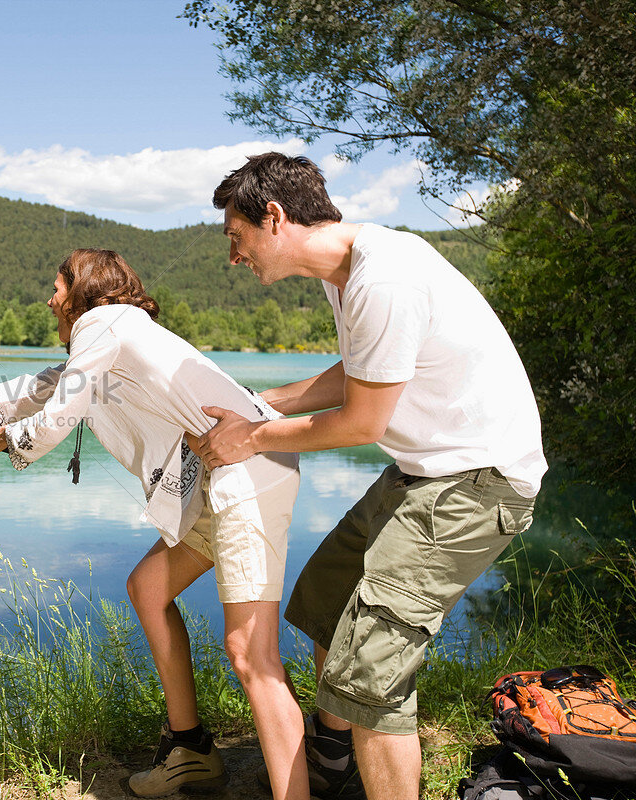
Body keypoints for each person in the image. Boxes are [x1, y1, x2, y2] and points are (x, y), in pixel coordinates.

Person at [189, 153, 547, 800]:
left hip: (477, 482)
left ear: (273, 218)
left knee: (367, 675)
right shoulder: (348, 273)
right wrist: (271, 403)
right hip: (427, 470)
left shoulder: (385, 279)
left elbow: (362, 423)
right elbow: (364, 367)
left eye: (235, 239)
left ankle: (365, 753)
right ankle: (335, 763)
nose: (233, 257)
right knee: (325, 602)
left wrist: (252, 436)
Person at [0, 248, 310, 799]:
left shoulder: (102, 322)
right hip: (224, 477)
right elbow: (47, 385)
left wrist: (8, 439)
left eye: (56, 287)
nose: (50, 300)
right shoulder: (112, 333)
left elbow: (61, 406)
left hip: (246, 474)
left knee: (250, 656)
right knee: (148, 588)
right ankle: (189, 749)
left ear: (83, 290)